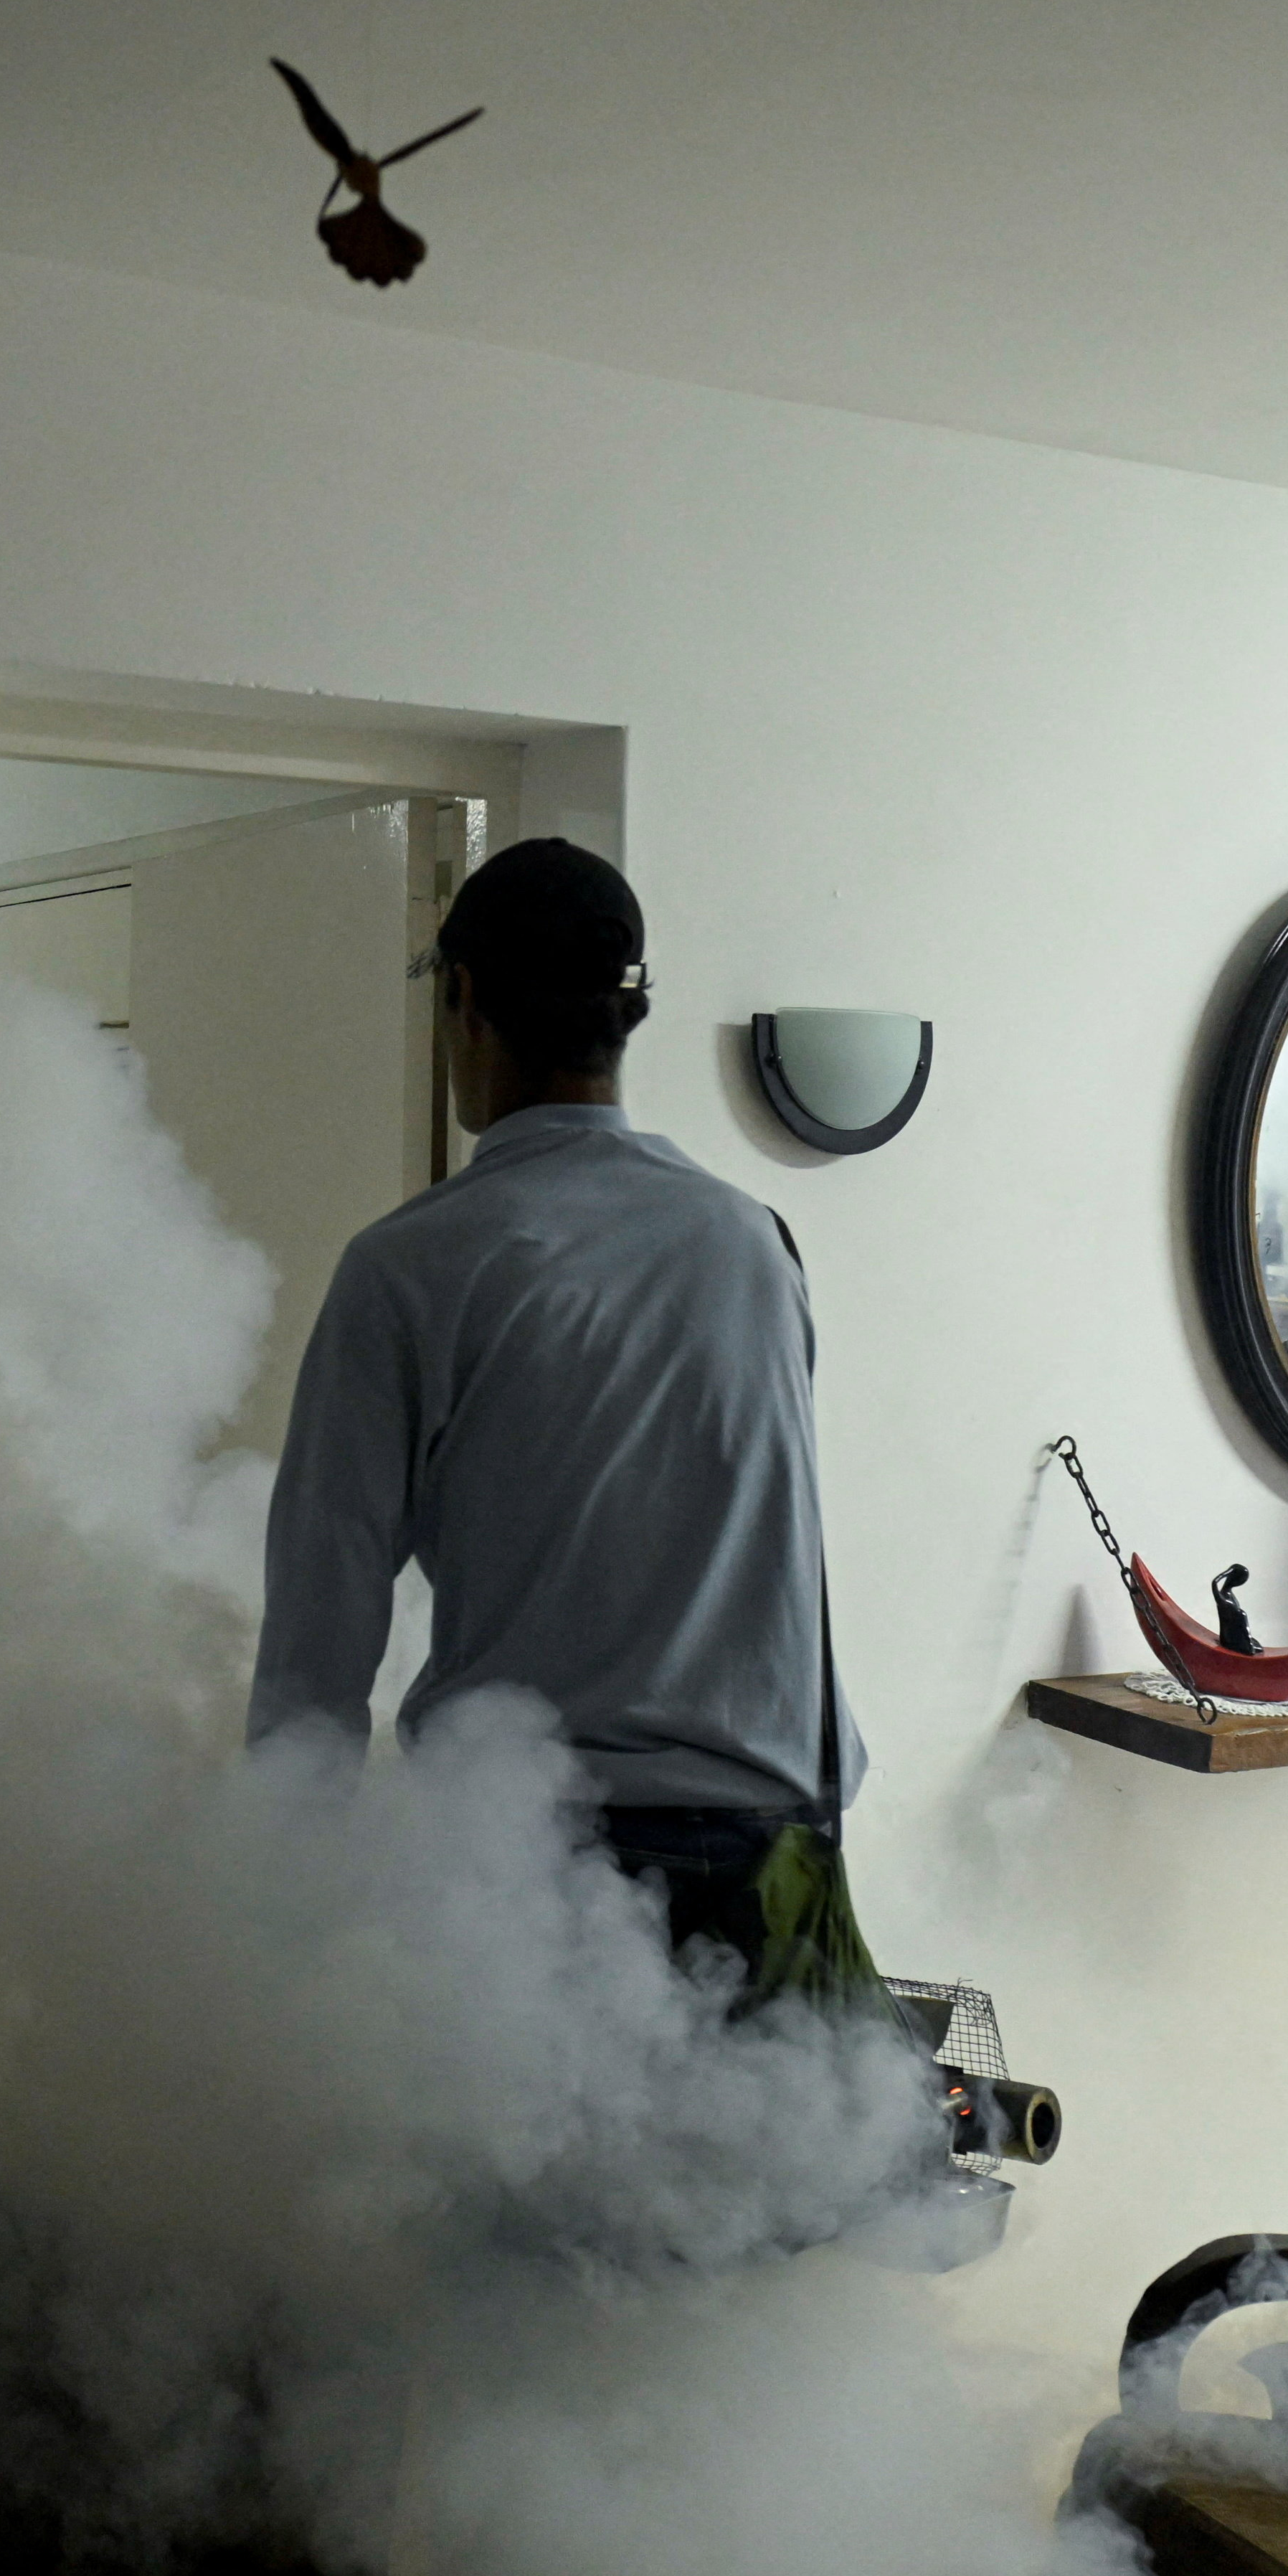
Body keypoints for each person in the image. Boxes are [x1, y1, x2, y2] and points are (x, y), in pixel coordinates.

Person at [248, 836, 871, 2005]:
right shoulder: (752, 1244)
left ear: (463, 997)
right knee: (755, 2131)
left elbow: (322, 1623)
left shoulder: (413, 1266)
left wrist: (283, 1899)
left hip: (537, 1861)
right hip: (770, 1846)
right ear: (627, 1015)